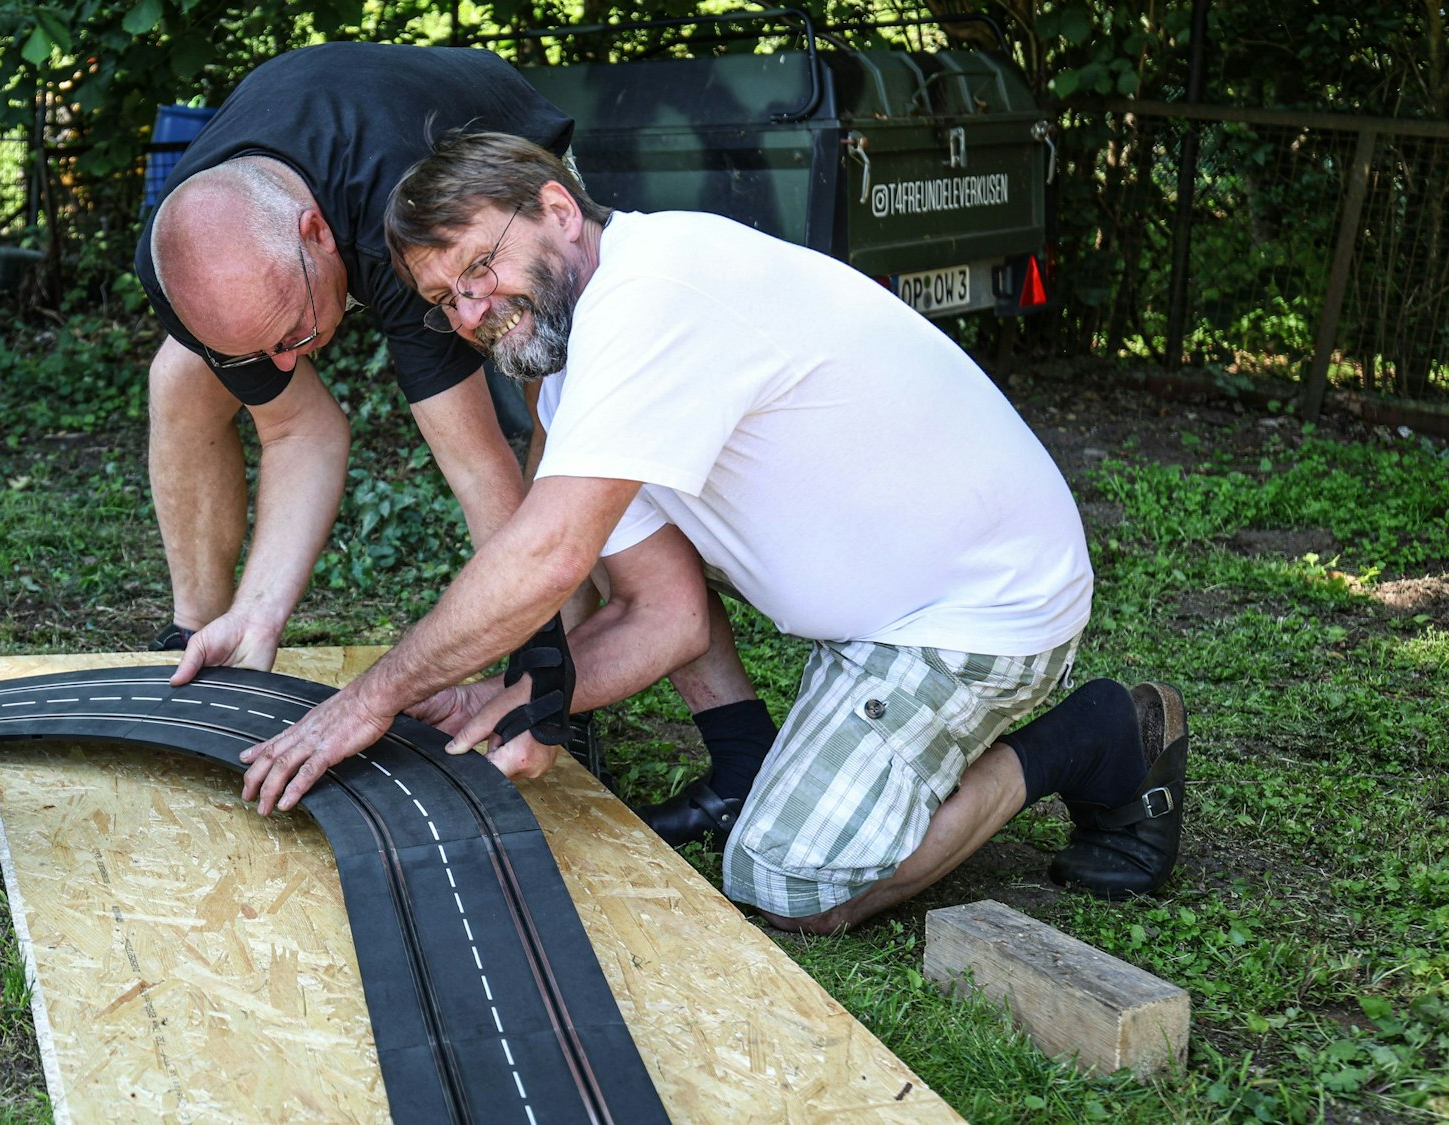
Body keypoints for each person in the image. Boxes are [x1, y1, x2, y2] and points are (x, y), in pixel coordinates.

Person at [237, 131, 1189, 934]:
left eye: (482, 266)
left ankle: (1095, 737)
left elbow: (546, 555)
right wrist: (517, 699)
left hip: (979, 611)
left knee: (792, 879)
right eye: (448, 299)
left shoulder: (656, 296)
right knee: (775, 829)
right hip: (887, 609)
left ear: (559, 212)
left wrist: (371, 699)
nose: (475, 312)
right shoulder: (580, 365)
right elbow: (663, 612)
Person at [136, 43, 568, 674]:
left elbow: (478, 471)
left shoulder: (399, 230)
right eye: (264, 350)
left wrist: (537, 667)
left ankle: (560, 663)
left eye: (291, 334)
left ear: (317, 234)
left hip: (489, 132)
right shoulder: (168, 263)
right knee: (180, 375)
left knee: (553, 397)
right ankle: (203, 632)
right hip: (326, 152)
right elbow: (298, 430)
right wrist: (261, 612)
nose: (287, 366)